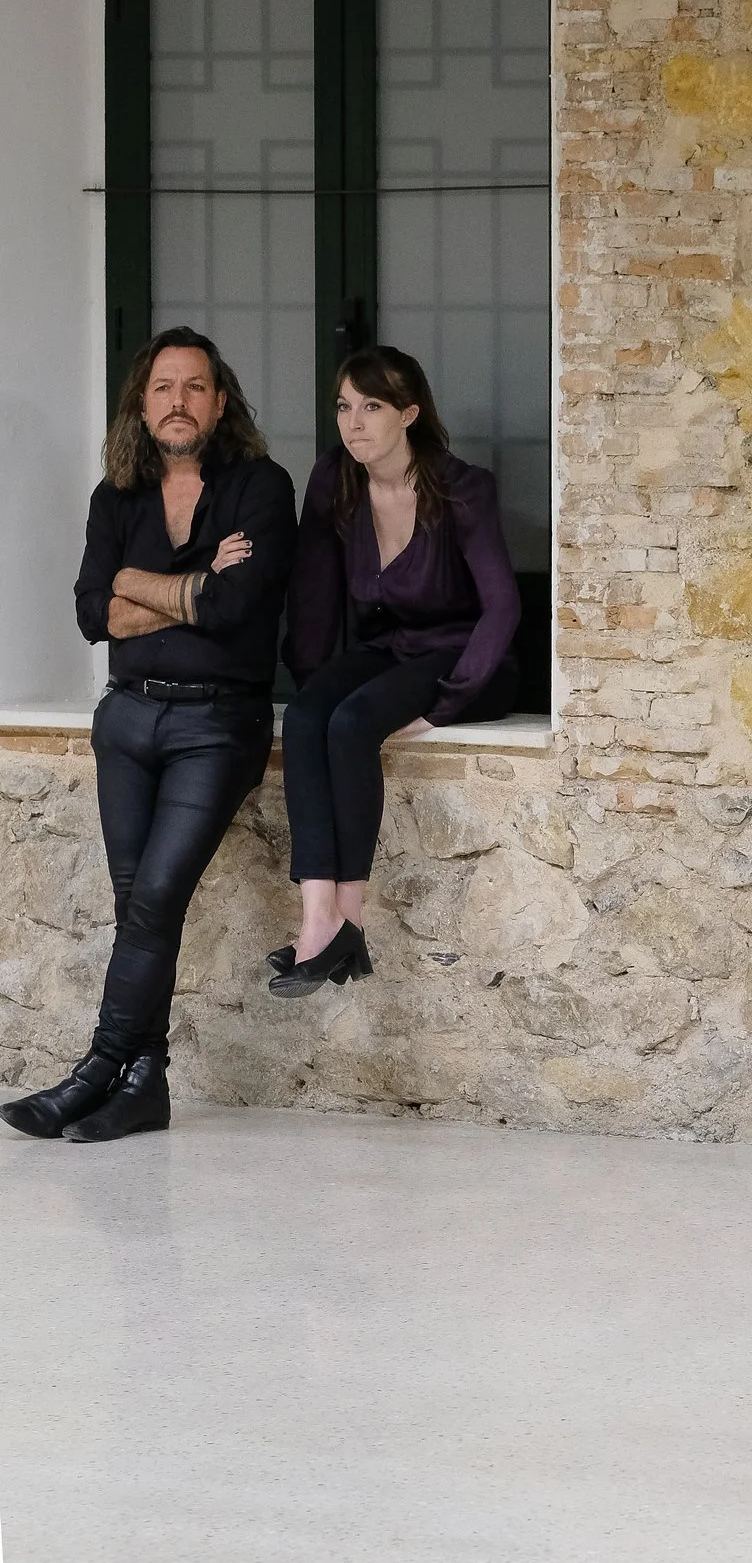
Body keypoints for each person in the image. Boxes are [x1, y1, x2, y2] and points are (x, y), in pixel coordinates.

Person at [2, 328, 297, 1144]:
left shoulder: (261, 487)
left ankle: (97, 1069)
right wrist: (191, 587)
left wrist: (138, 586)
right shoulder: (117, 497)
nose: (178, 401)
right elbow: (92, 612)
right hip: (127, 719)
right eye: (163, 387)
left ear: (220, 402)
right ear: (141, 403)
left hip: (217, 723)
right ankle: (145, 1083)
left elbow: (238, 610)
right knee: (137, 904)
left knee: (157, 896)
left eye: (195, 387)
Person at [271, 345, 520, 995]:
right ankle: (317, 920)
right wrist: (313, 681)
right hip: (387, 649)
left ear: (408, 414)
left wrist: (446, 705)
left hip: (463, 656)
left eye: (372, 406)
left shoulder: (461, 488)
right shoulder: (335, 479)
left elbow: (502, 605)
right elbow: (313, 590)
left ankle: (349, 918)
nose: (353, 423)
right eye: (343, 407)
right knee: (307, 718)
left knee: (353, 723)